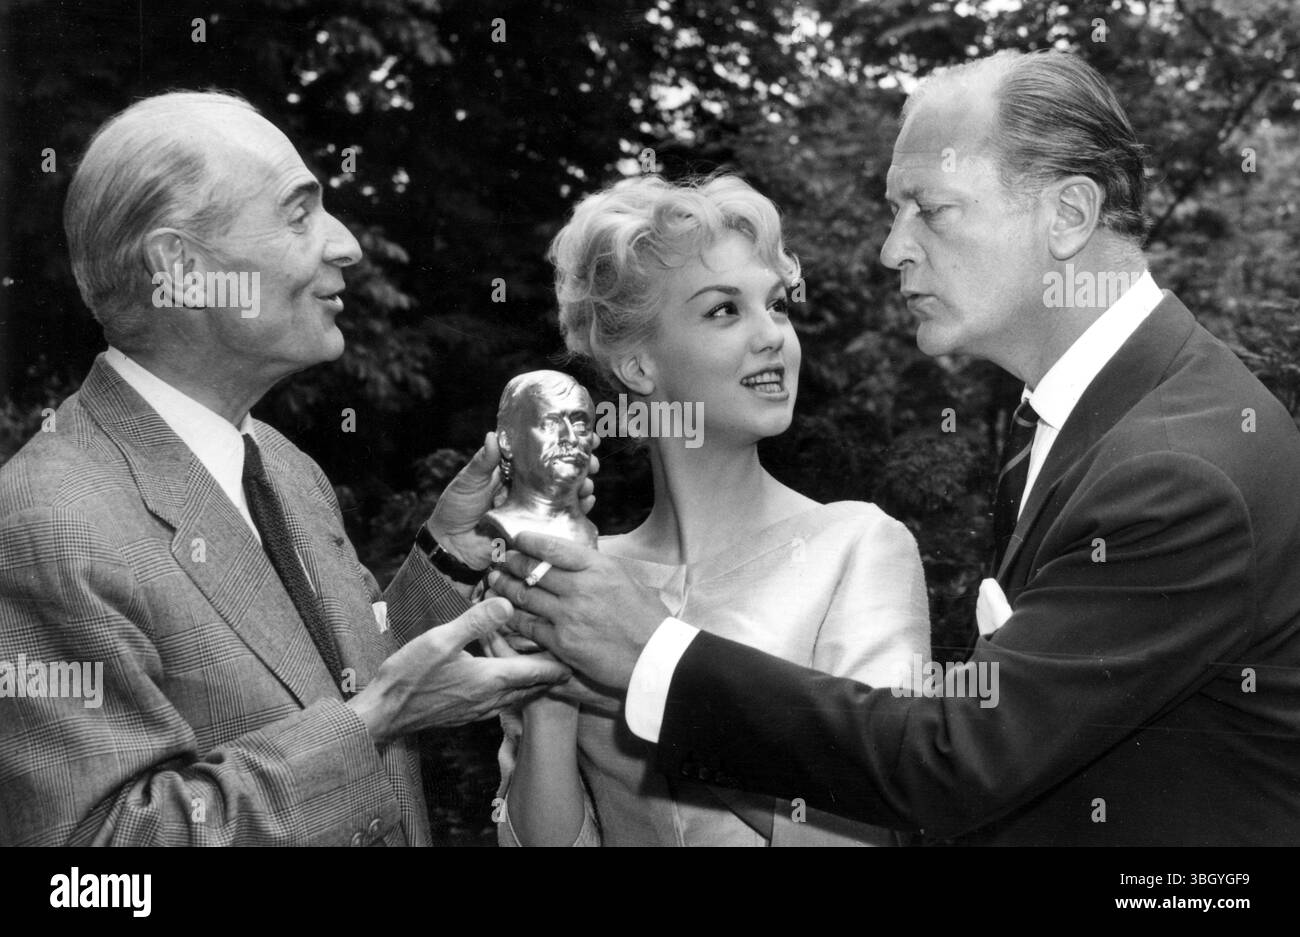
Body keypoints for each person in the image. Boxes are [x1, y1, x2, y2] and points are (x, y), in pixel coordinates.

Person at [490, 50, 1300, 845]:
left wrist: (653, 654)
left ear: (1069, 216)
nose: (892, 249)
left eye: (930, 208)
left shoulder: (1175, 466)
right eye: (893, 210)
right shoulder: (1077, 424)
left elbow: (956, 761)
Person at [0, 91, 570, 846]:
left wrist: (445, 556)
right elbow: (93, 872)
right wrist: (370, 725)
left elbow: (319, 680)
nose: (347, 246)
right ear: (182, 267)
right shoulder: (46, 521)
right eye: (299, 213)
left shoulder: (285, 464)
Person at [490, 174, 930, 846]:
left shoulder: (858, 546)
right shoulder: (584, 578)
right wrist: (546, 696)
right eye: (725, 310)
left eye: (777, 306)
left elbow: (863, 832)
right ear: (637, 365)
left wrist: (658, 682)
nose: (771, 336)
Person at [483, 370, 599, 548]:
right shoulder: (498, 531)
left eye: (580, 425)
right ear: (506, 441)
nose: (571, 438)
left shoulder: (590, 531)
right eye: (551, 424)